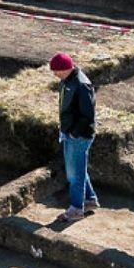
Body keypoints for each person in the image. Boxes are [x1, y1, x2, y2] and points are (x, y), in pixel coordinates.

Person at [49, 52, 98, 222]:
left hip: (79, 136)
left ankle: (76, 209)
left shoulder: (81, 84)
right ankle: (90, 200)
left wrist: (73, 132)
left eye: (56, 71)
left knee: (74, 174)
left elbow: (88, 115)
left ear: (65, 69)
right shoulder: (68, 80)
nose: (54, 74)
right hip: (71, 132)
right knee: (77, 170)